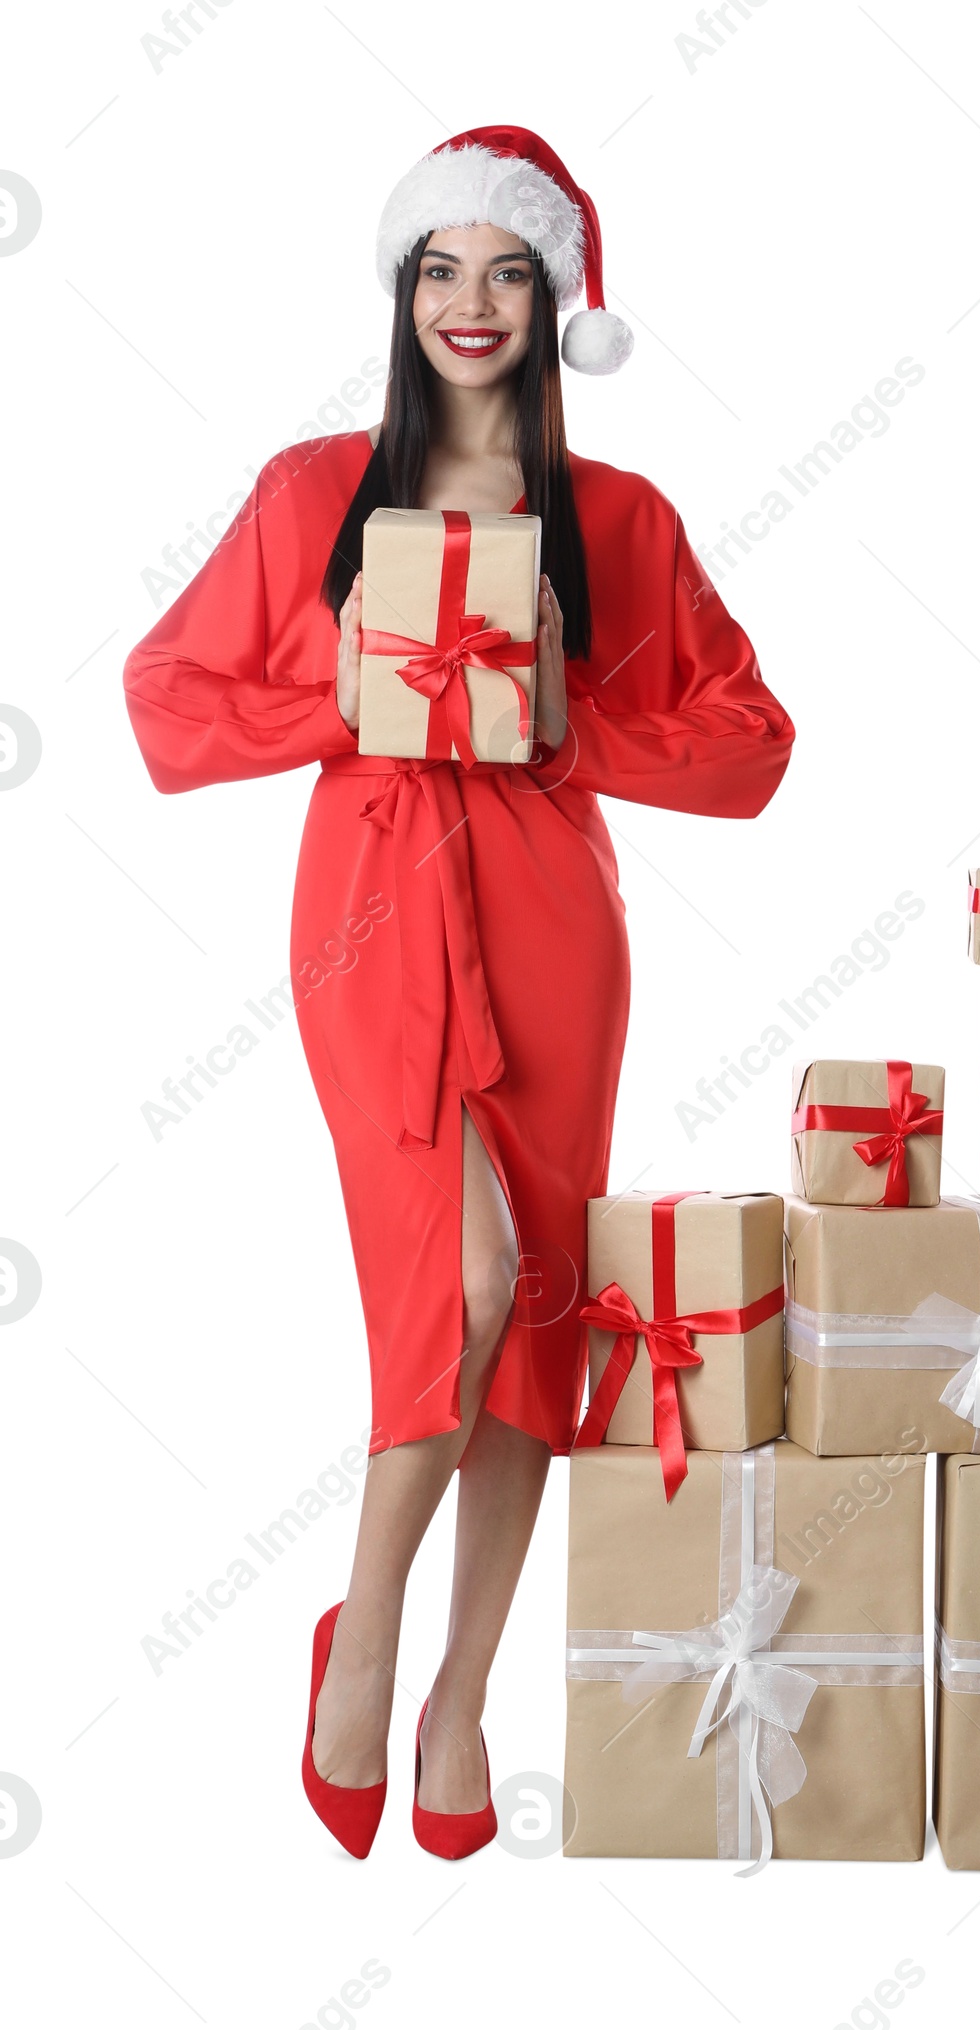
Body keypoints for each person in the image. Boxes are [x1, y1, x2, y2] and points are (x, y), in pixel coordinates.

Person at [123, 125, 794, 1859]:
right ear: (401, 289)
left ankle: (460, 1694)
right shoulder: (310, 496)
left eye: (510, 269)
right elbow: (168, 704)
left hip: (557, 930)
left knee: (540, 1307)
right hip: (374, 925)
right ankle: (361, 1647)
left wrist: (579, 719)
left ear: (558, 297)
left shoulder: (620, 520)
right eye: (442, 267)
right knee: (463, 1275)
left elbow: (751, 746)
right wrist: (340, 699)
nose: (473, 301)